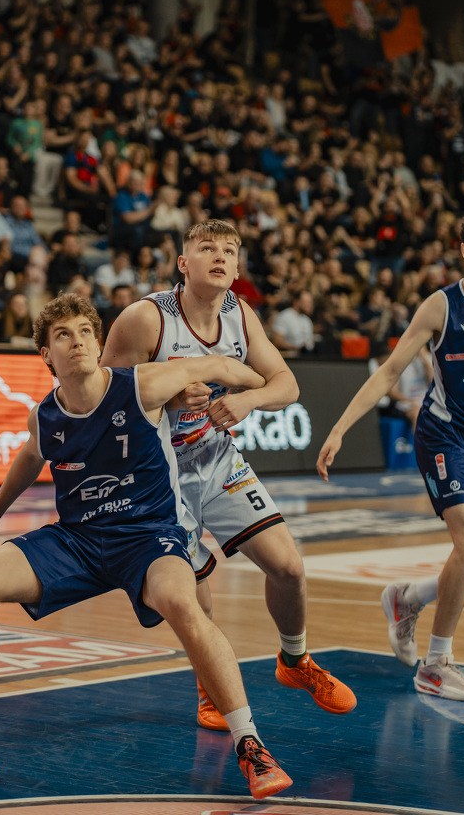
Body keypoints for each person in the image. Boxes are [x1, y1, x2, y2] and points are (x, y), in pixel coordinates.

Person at [0, 292, 292, 801]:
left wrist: (254, 393)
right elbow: (31, 456)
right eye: (63, 335)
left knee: (182, 601)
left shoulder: (142, 385)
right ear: (46, 355)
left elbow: (219, 365)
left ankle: (250, 744)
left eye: (84, 332)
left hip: (147, 535)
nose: (77, 341)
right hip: (78, 539)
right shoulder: (45, 416)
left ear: (99, 344)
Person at [101, 219, 357, 730]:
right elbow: (101, 400)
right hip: (155, 474)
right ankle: (211, 692)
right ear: (183, 263)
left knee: (289, 568)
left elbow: (286, 384)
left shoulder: (239, 314)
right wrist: (168, 398)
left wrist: (248, 400)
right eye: (207, 248)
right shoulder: (145, 319)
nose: (219, 256)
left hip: (216, 459)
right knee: (197, 588)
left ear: (237, 268)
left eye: (229, 250)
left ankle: (294, 659)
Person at [316, 207, 464, 701]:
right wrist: (340, 428)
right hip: (443, 434)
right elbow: (388, 372)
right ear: (463, 250)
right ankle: (436, 665)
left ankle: (409, 597)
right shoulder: (441, 306)